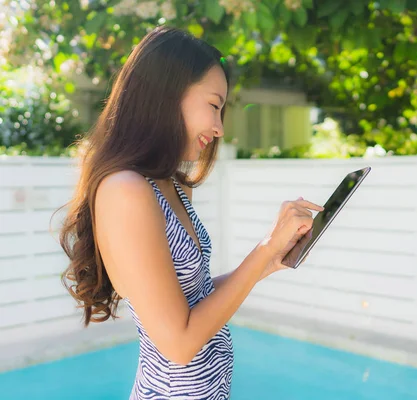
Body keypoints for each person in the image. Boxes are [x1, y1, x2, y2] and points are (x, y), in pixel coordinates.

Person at [57, 26, 323, 400]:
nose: (218, 128)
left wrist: (270, 259)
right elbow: (178, 345)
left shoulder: (170, 186)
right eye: (214, 106)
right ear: (166, 94)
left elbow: (192, 298)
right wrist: (264, 249)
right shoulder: (125, 191)